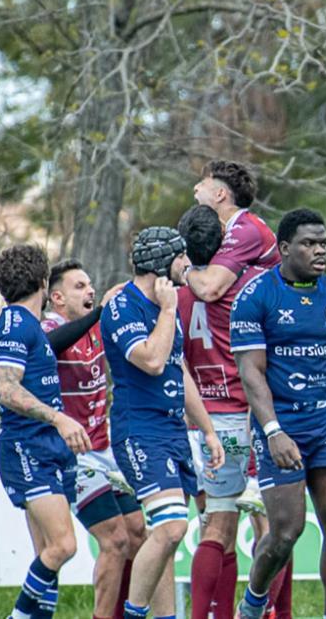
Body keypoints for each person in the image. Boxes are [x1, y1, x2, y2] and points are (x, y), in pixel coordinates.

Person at [230, 208, 326, 619]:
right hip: (282, 426)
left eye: (323, 244)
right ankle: (253, 603)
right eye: (309, 244)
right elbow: (251, 373)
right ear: (284, 249)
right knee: (285, 532)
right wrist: (273, 431)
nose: (320, 251)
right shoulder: (256, 296)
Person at [175, 204, 293, 619]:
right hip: (251, 417)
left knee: (217, 526)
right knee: (276, 530)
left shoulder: (178, 295)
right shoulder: (251, 286)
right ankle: (276, 613)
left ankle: (209, 614)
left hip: (205, 422)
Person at [101, 227, 224, 619]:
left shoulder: (166, 305)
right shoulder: (124, 305)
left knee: (165, 538)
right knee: (172, 528)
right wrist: (169, 311)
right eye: (181, 258)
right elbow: (151, 360)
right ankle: (134, 613)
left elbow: (177, 368)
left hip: (173, 431)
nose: (187, 266)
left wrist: (206, 428)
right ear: (162, 265)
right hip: (139, 430)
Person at [41, 260, 145, 619]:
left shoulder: (97, 328)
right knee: (114, 540)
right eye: (79, 286)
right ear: (57, 297)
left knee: (138, 534)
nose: (89, 291)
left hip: (106, 449)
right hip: (74, 457)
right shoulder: (50, 327)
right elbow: (49, 345)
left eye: (91, 285)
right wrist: (99, 311)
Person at [0, 245, 89, 619]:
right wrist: (59, 419)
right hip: (27, 447)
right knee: (63, 545)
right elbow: (7, 388)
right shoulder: (15, 323)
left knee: (48, 554)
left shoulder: (32, 325)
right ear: (43, 282)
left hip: (46, 447)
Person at [187, 160, 280, 302]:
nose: (196, 188)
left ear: (220, 194)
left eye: (203, 183)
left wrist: (184, 270)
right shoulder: (233, 225)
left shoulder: (245, 230)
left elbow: (210, 289)